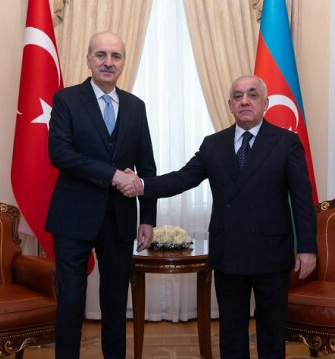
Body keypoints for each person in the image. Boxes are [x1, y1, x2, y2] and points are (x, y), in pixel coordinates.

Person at [118, 74, 317, 358]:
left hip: (271, 253)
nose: (244, 101)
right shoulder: (214, 144)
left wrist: (307, 248)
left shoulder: (286, 143)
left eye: (252, 95)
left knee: (272, 336)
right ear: (230, 105)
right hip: (229, 252)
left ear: (265, 103)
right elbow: (182, 178)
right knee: (231, 335)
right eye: (238, 96)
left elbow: (301, 199)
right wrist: (142, 184)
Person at [45, 31, 157, 359]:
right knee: (71, 302)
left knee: (114, 303)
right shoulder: (66, 100)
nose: (108, 62)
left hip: (120, 220)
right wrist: (111, 175)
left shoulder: (136, 107)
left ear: (123, 62)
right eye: (102, 55)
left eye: (116, 56)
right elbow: (59, 153)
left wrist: (147, 217)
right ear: (89, 59)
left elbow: (147, 167)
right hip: (73, 217)